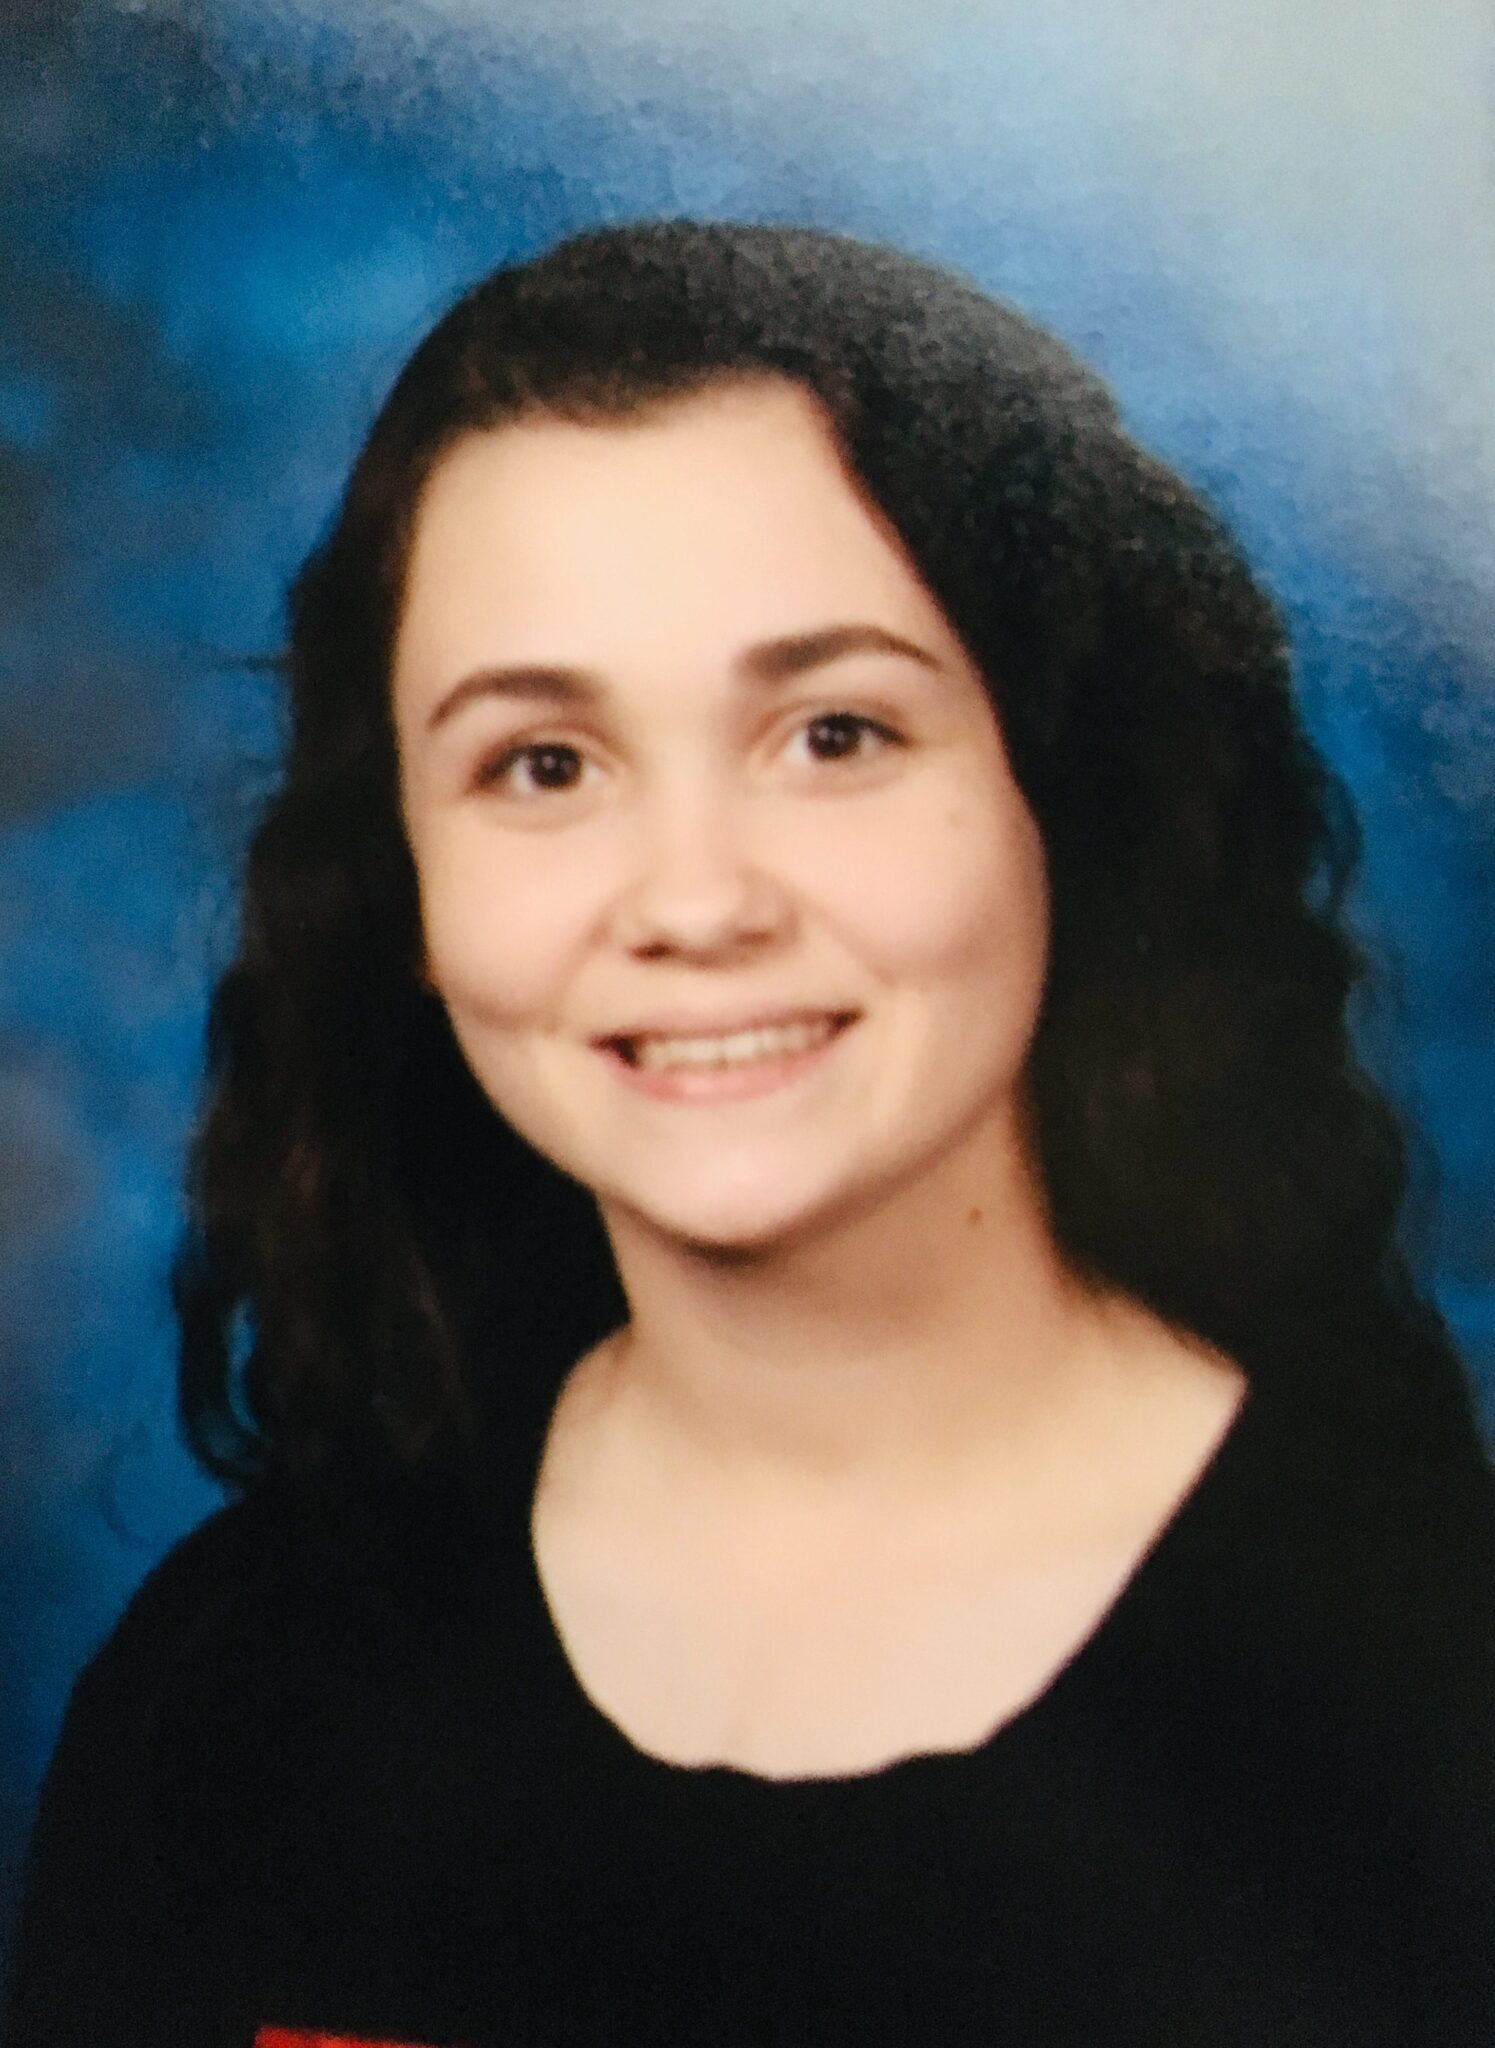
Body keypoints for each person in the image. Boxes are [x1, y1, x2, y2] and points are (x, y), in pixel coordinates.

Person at [6, 220, 1492, 2047]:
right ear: (406, 888)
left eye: (834, 734)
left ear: (1062, 795)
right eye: (545, 765)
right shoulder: (233, 1704)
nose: (695, 902)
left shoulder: (1438, 1688)